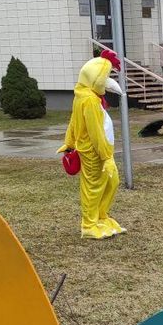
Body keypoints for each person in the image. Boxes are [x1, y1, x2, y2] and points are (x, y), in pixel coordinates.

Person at [59, 52, 125, 240]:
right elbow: (95, 131)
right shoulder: (88, 100)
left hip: (100, 152)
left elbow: (73, 121)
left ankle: (101, 216)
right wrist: (106, 157)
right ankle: (89, 225)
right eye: (105, 76)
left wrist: (69, 142)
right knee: (93, 187)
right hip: (93, 153)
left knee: (112, 181)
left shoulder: (86, 95)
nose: (108, 81)